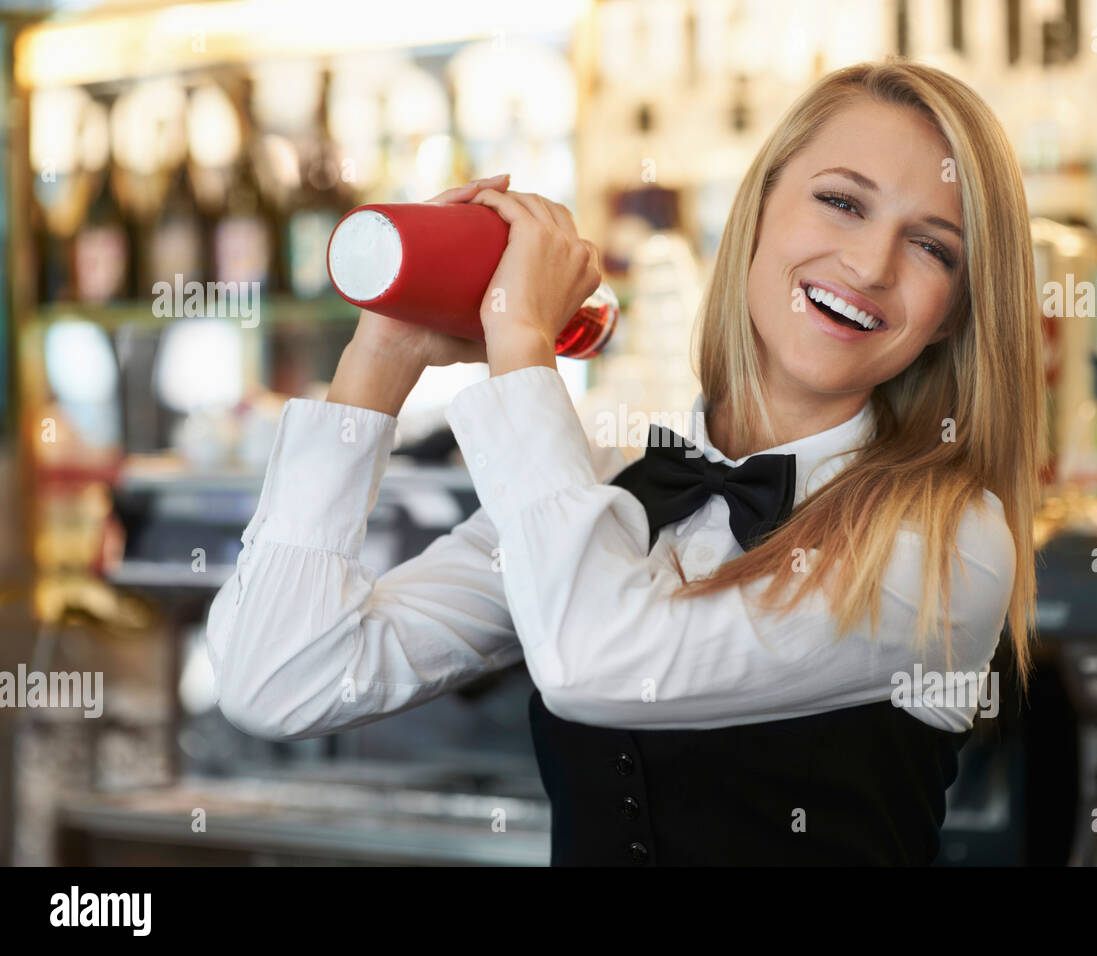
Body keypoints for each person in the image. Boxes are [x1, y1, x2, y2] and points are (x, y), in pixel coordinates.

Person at [206, 58, 1043, 866]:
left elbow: (591, 662)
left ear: (950, 317)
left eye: (932, 248)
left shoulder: (948, 545)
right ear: (754, 212)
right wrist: (382, 351)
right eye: (840, 202)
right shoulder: (603, 481)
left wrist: (524, 344)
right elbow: (279, 680)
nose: (869, 266)